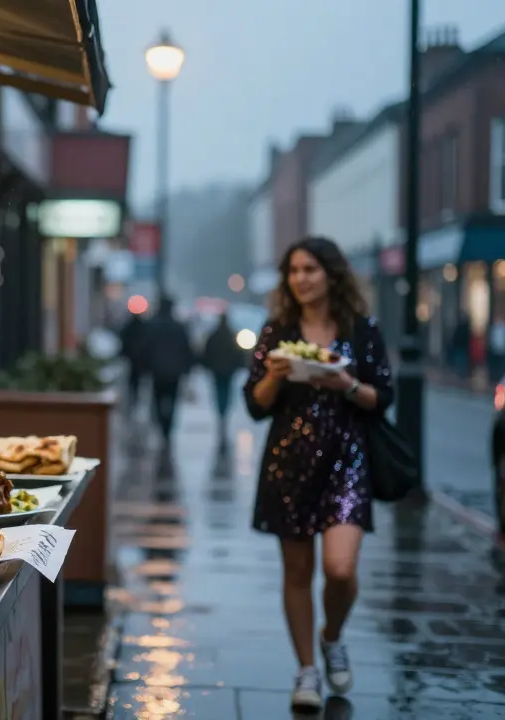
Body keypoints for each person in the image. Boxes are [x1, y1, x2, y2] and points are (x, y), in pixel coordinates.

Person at [243, 237, 393, 713]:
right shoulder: (278, 330)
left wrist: (346, 383)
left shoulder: (360, 329)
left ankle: (332, 637)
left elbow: (382, 397)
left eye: (310, 269)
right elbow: (254, 404)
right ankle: (307, 669)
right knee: (297, 571)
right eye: (293, 270)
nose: (301, 278)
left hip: (346, 461)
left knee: (340, 570)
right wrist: (276, 374)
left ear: (331, 273)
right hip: (289, 462)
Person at [142, 296, 195, 443]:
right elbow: (187, 349)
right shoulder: (178, 327)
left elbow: (145, 349)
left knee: (158, 400)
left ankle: (162, 425)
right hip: (174, 372)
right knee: (172, 400)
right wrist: (187, 368)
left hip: (157, 371)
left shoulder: (152, 326)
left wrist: (145, 367)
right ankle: (167, 427)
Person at [201, 310, 247, 441]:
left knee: (219, 390)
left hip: (218, 370)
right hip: (228, 370)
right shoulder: (231, 335)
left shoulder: (214, 335)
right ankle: (223, 410)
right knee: (226, 390)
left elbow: (207, 352)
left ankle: (221, 411)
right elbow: (239, 353)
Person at [118, 312, 147, 413]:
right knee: (137, 381)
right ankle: (135, 400)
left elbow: (123, 338)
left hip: (132, 358)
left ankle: (133, 399)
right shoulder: (144, 326)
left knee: (132, 380)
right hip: (140, 359)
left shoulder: (128, 326)